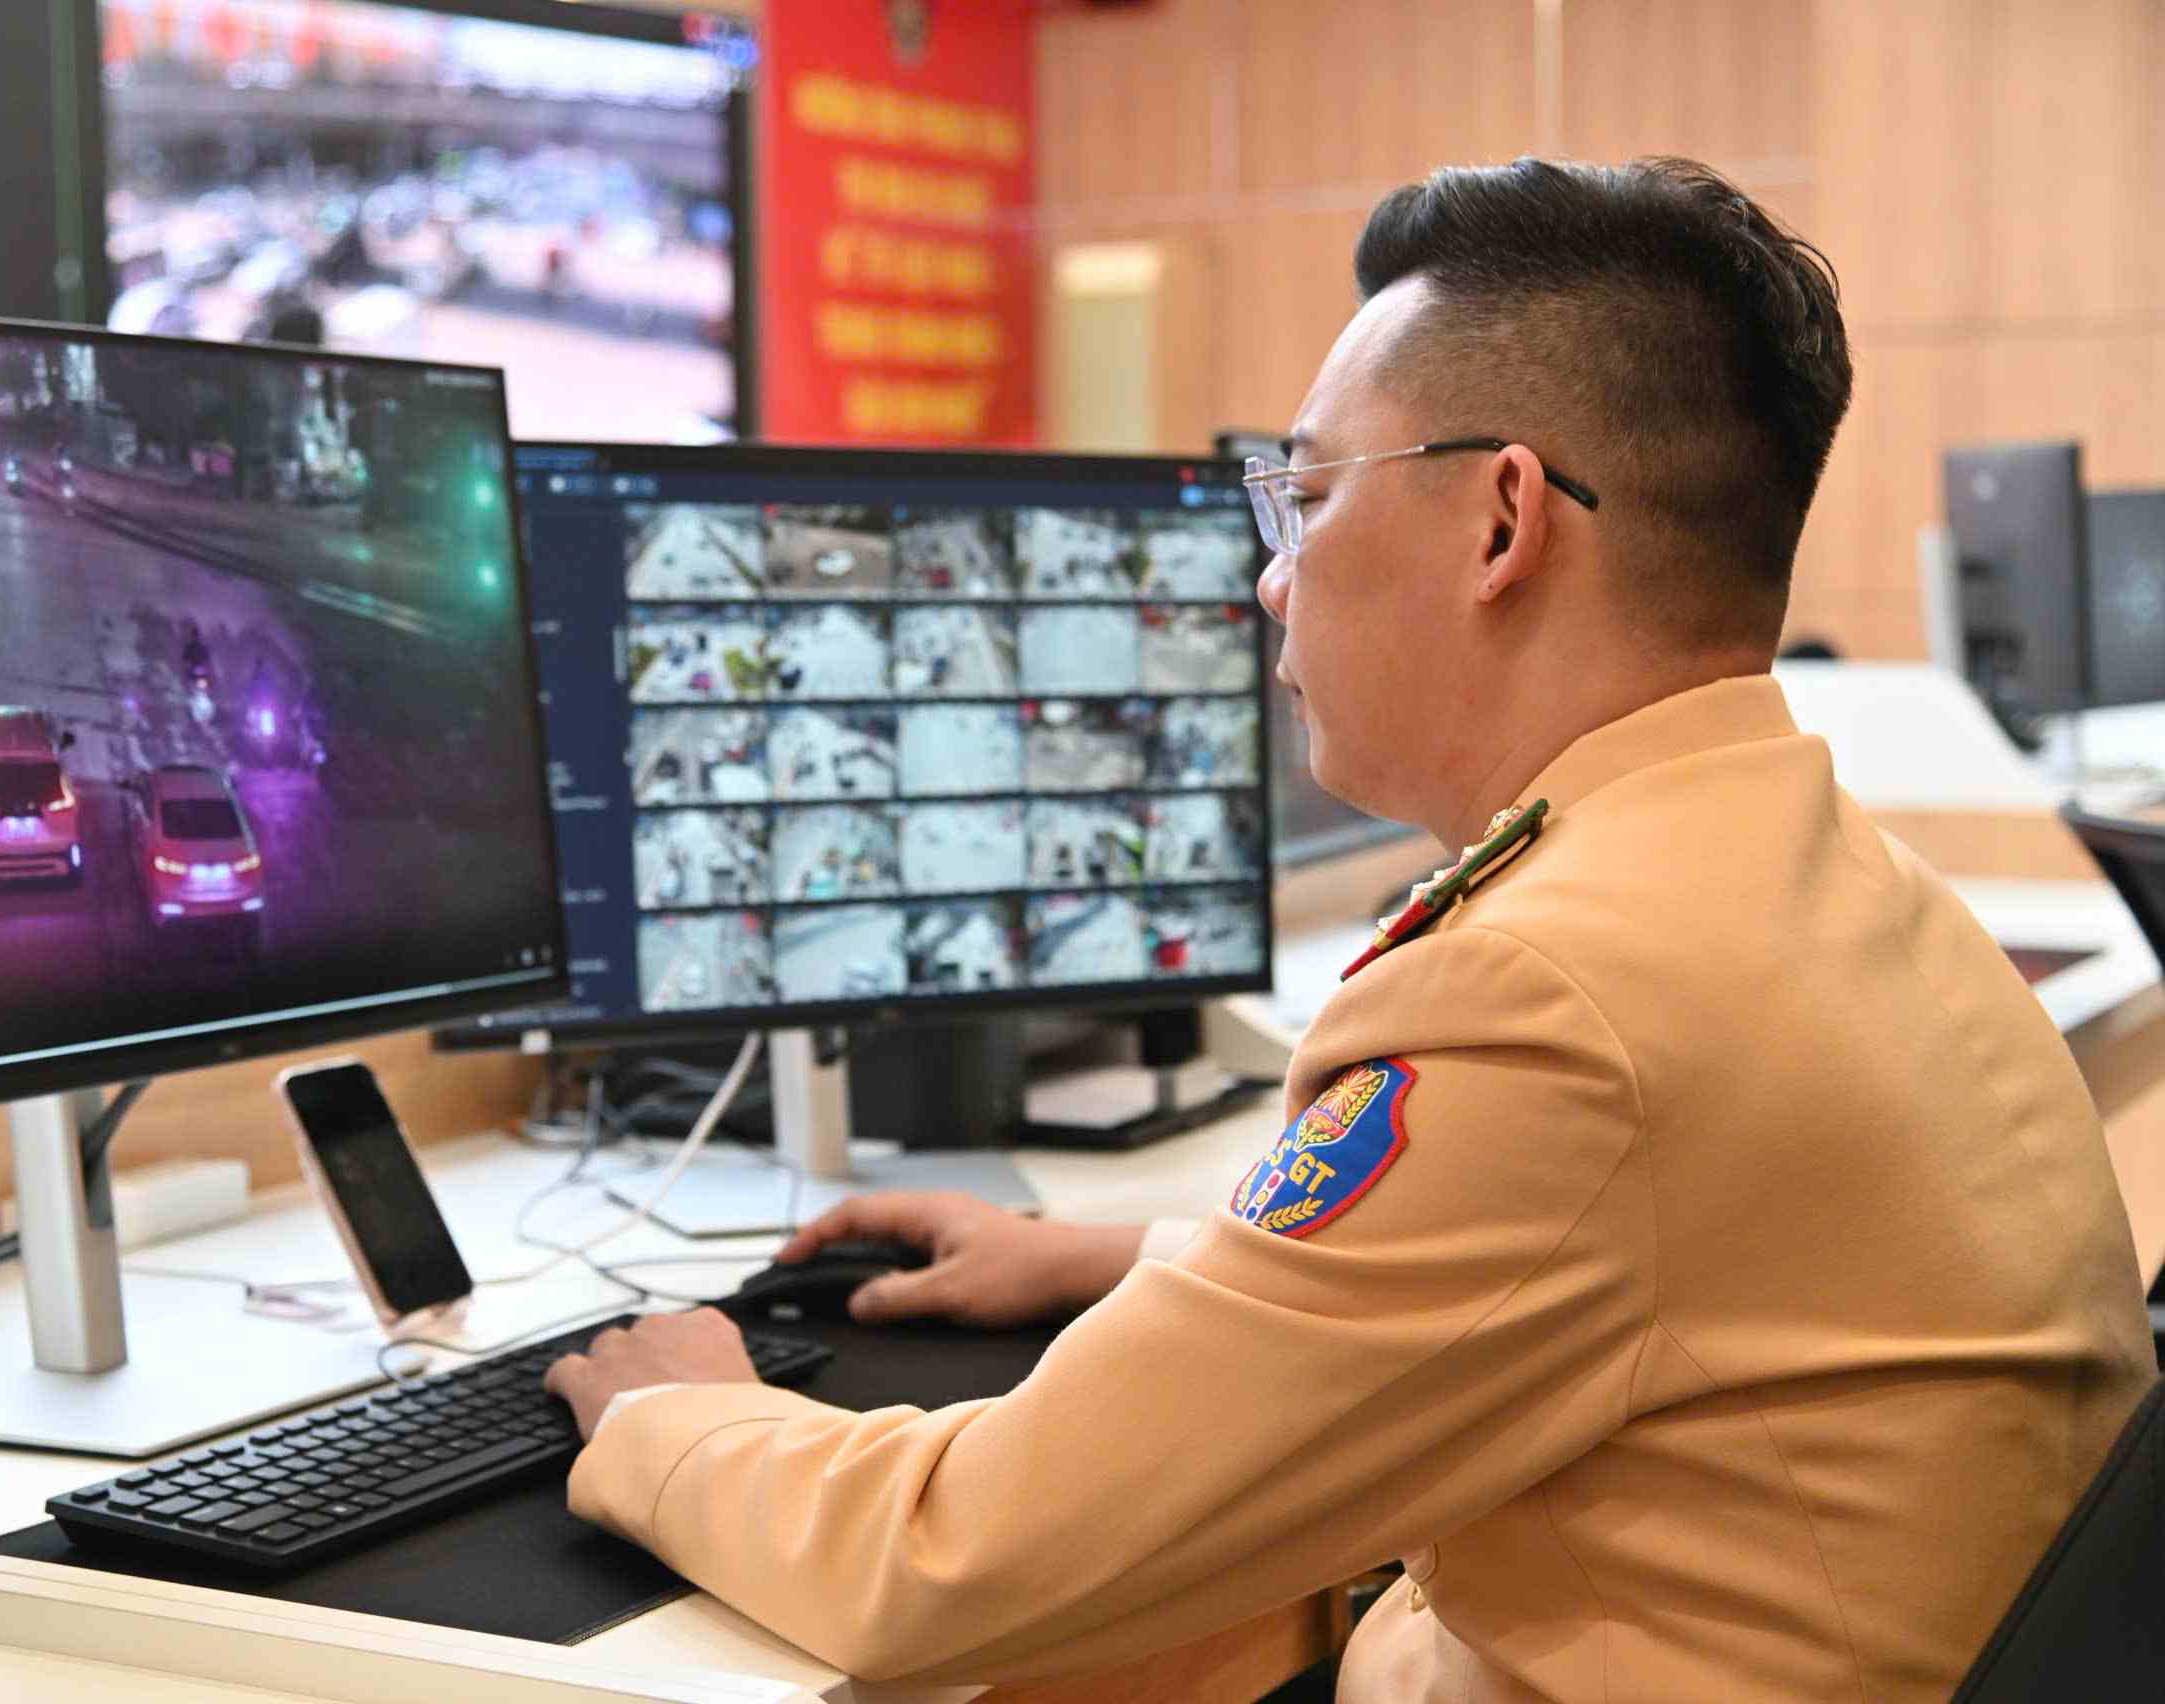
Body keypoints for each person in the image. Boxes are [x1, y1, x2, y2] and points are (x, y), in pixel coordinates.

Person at [544, 157, 2155, 1699]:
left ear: (1502, 522)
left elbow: (958, 1559)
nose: (1270, 579)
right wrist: (1129, 1257)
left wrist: (684, 1423)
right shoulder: (1810, 877)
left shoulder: (1551, 995)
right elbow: (1605, 1266)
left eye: (1304, 495)